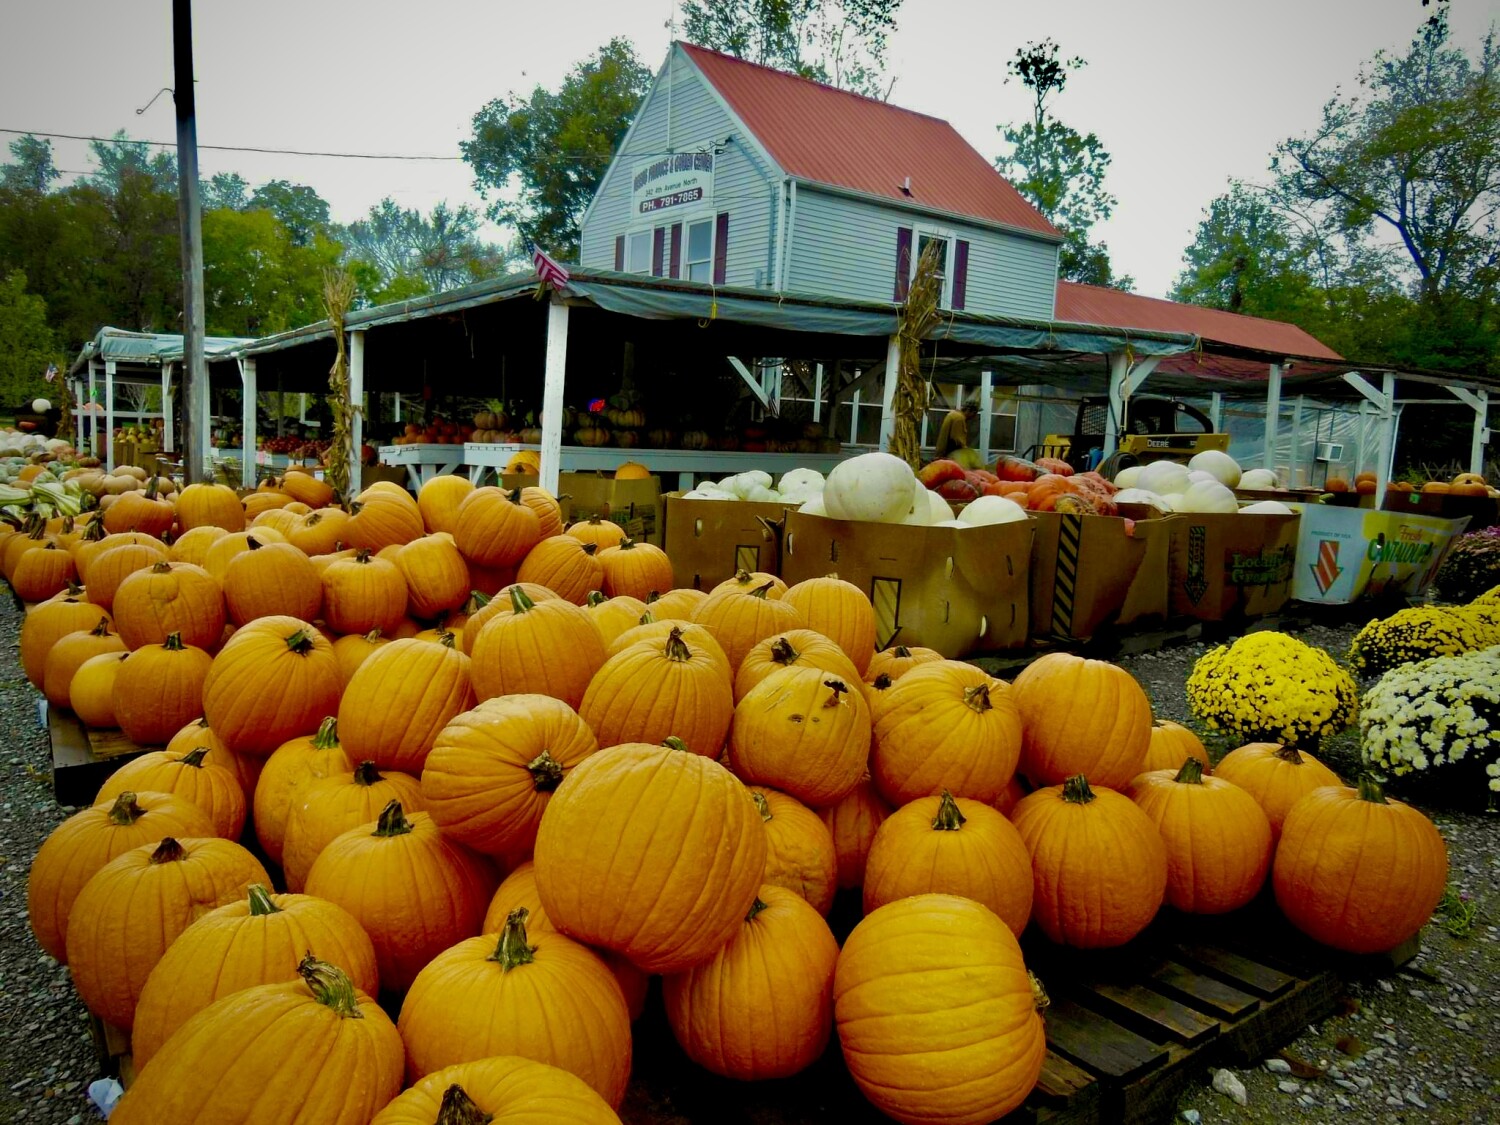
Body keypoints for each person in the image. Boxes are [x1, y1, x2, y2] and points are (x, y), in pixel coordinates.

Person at [934, 400, 984, 469]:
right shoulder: (959, 418)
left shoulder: (953, 414)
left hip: (942, 455)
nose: (974, 416)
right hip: (948, 458)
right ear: (968, 410)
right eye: (974, 413)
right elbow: (956, 442)